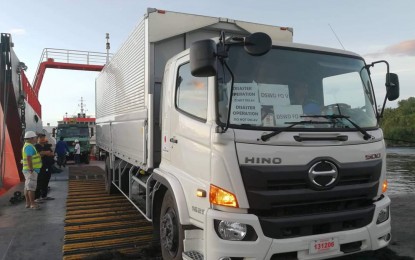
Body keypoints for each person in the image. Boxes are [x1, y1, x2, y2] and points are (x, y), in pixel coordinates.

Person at [21, 131, 42, 209]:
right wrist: (31, 169)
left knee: (27, 187)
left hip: (28, 170)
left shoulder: (26, 145)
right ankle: (32, 204)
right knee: (31, 188)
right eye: (35, 138)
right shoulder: (29, 146)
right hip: (31, 170)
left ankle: (28, 203)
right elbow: (29, 158)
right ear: (31, 138)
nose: (36, 139)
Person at [34, 134, 55, 202]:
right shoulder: (36, 146)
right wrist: (46, 153)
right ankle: (37, 197)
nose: (42, 139)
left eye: (43, 137)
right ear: (37, 139)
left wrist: (45, 153)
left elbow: (52, 153)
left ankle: (44, 196)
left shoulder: (46, 145)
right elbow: (40, 153)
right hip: (40, 167)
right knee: (39, 181)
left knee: (46, 181)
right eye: (41, 138)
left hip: (48, 166)